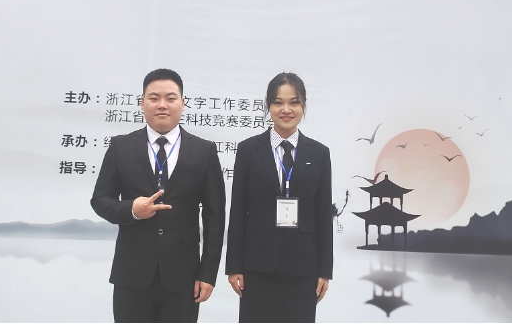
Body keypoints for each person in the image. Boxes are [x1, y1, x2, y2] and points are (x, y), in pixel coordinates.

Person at [91, 68, 226, 323]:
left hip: (183, 277)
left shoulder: (204, 151)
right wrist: (131, 210)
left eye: (170, 98)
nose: (162, 104)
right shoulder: (121, 146)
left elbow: (215, 217)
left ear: (183, 103)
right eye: (154, 98)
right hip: (131, 275)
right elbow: (100, 200)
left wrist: (208, 273)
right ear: (142, 102)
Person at [225, 72, 333, 323]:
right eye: (278, 102)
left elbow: (322, 215)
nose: (286, 109)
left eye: (294, 102)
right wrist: (234, 266)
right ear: (268, 106)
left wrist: (324, 270)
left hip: (304, 268)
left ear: (303, 105)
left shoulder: (319, 153)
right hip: (257, 266)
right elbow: (238, 210)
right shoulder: (249, 149)